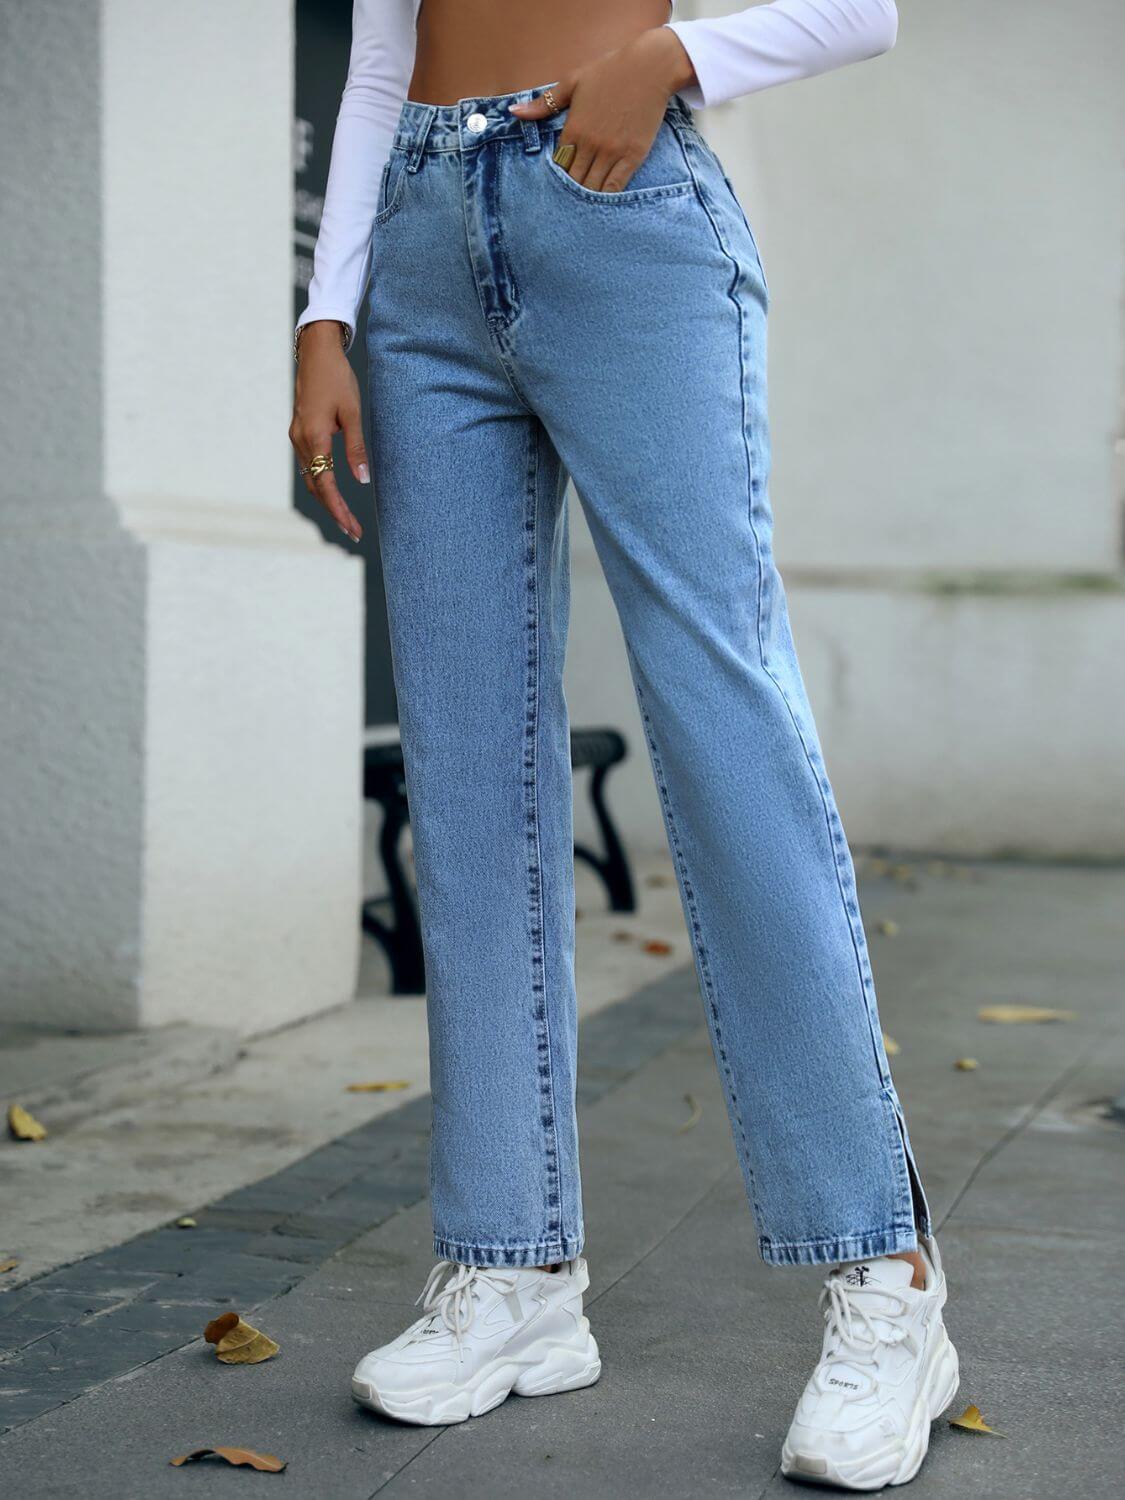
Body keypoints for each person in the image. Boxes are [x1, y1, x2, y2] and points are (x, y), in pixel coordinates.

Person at [290, 0, 958, 1488]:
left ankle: (884, 1279)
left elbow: (863, 5)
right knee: (463, 778)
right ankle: (512, 1276)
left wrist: (672, 62)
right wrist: (324, 310)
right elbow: (387, 47)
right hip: (417, 245)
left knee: (730, 743)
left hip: (622, 199)